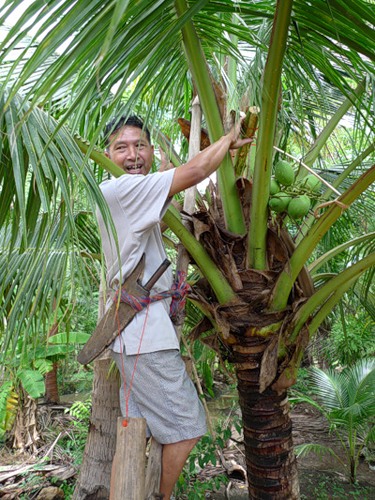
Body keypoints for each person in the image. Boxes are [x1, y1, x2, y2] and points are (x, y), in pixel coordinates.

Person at [96, 114, 251, 499]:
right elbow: (198, 168)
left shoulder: (126, 194)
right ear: (105, 154)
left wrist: (166, 187)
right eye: (121, 147)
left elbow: (153, 229)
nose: (133, 154)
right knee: (187, 426)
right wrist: (228, 138)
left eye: (140, 146)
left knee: (133, 431)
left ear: (151, 151)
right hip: (144, 337)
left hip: (132, 335)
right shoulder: (120, 189)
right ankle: (160, 497)